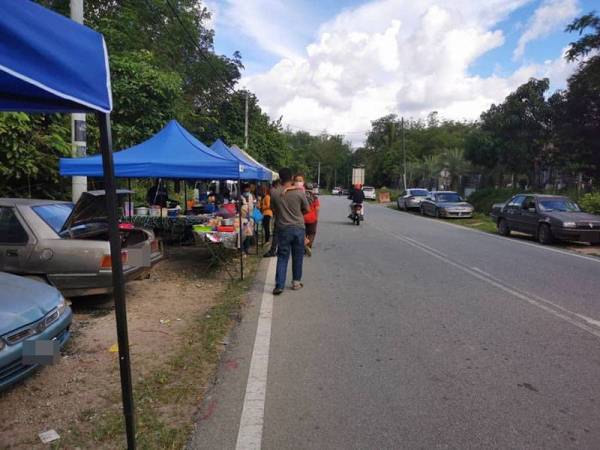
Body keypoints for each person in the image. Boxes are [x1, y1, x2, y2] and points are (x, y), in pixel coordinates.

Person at [270, 168, 309, 295]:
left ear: (280, 178)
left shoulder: (274, 193)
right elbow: (307, 209)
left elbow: (273, 209)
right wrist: (297, 214)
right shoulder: (299, 193)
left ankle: (279, 285)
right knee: (297, 256)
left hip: (283, 228)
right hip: (298, 228)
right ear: (291, 177)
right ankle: (296, 283)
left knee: (282, 257)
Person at [263, 179, 281, 257]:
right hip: (278, 216)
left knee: (276, 234)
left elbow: (270, 206)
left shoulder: (273, 193)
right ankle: (276, 250)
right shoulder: (282, 192)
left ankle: (273, 250)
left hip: (276, 216)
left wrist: (263, 207)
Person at [304, 183, 320, 256]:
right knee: (312, 233)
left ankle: (304, 243)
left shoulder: (302, 196)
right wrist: (316, 217)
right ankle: (309, 246)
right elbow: (317, 209)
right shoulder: (315, 198)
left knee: (303, 233)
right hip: (312, 218)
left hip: (302, 218)